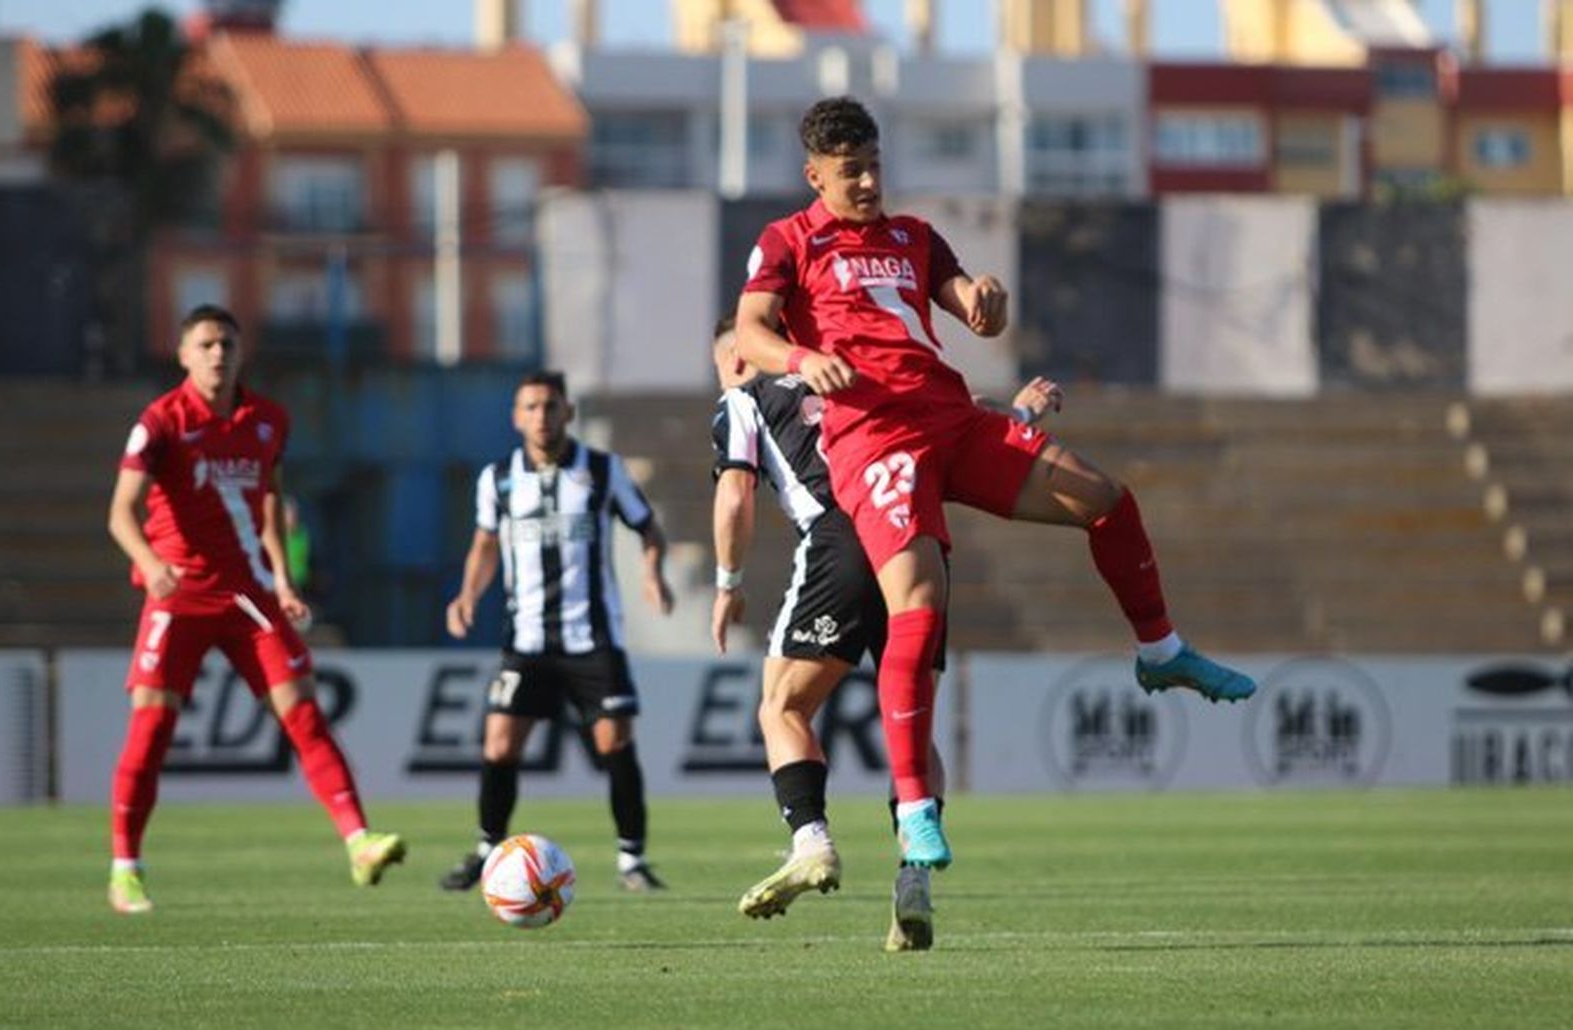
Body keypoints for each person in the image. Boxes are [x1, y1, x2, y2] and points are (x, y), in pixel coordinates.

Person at [734, 96, 1255, 874]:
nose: (870, 183)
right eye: (852, 173)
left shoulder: (914, 238)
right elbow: (750, 330)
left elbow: (975, 314)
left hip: (953, 416)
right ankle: (914, 808)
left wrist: (985, 307)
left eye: (876, 166)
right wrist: (803, 360)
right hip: (873, 435)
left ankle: (1162, 650)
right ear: (816, 176)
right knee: (918, 602)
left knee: (1103, 497)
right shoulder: (788, 241)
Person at [711, 316, 1060, 951]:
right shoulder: (861, 376)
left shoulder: (742, 398)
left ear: (739, 355)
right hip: (915, 541)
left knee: (782, 705)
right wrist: (1020, 416)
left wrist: (727, 581)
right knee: (911, 718)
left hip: (841, 538)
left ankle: (811, 841)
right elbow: (961, 425)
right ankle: (914, 879)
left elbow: (735, 495)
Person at [105, 304, 404, 914]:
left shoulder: (267, 421)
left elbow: (270, 501)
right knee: (153, 727)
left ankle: (359, 841)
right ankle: (125, 868)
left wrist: (286, 581)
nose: (219, 354)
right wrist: (151, 562)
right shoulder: (160, 421)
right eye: (207, 344)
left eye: (228, 345)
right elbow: (119, 512)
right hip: (179, 595)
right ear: (184, 355)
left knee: (304, 714)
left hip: (248, 596)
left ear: (241, 354)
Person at [440, 371, 675, 893]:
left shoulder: (602, 469)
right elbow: (485, 544)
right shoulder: (498, 478)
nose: (541, 416)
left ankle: (631, 860)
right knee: (499, 744)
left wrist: (652, 572)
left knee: (615, 742)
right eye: (531, 407)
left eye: (550, 406)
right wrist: (467, 595)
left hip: (593, 638)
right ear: (516, 417)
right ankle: (486, 849)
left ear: (567, 412)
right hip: (526, 641)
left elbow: (648, 528)